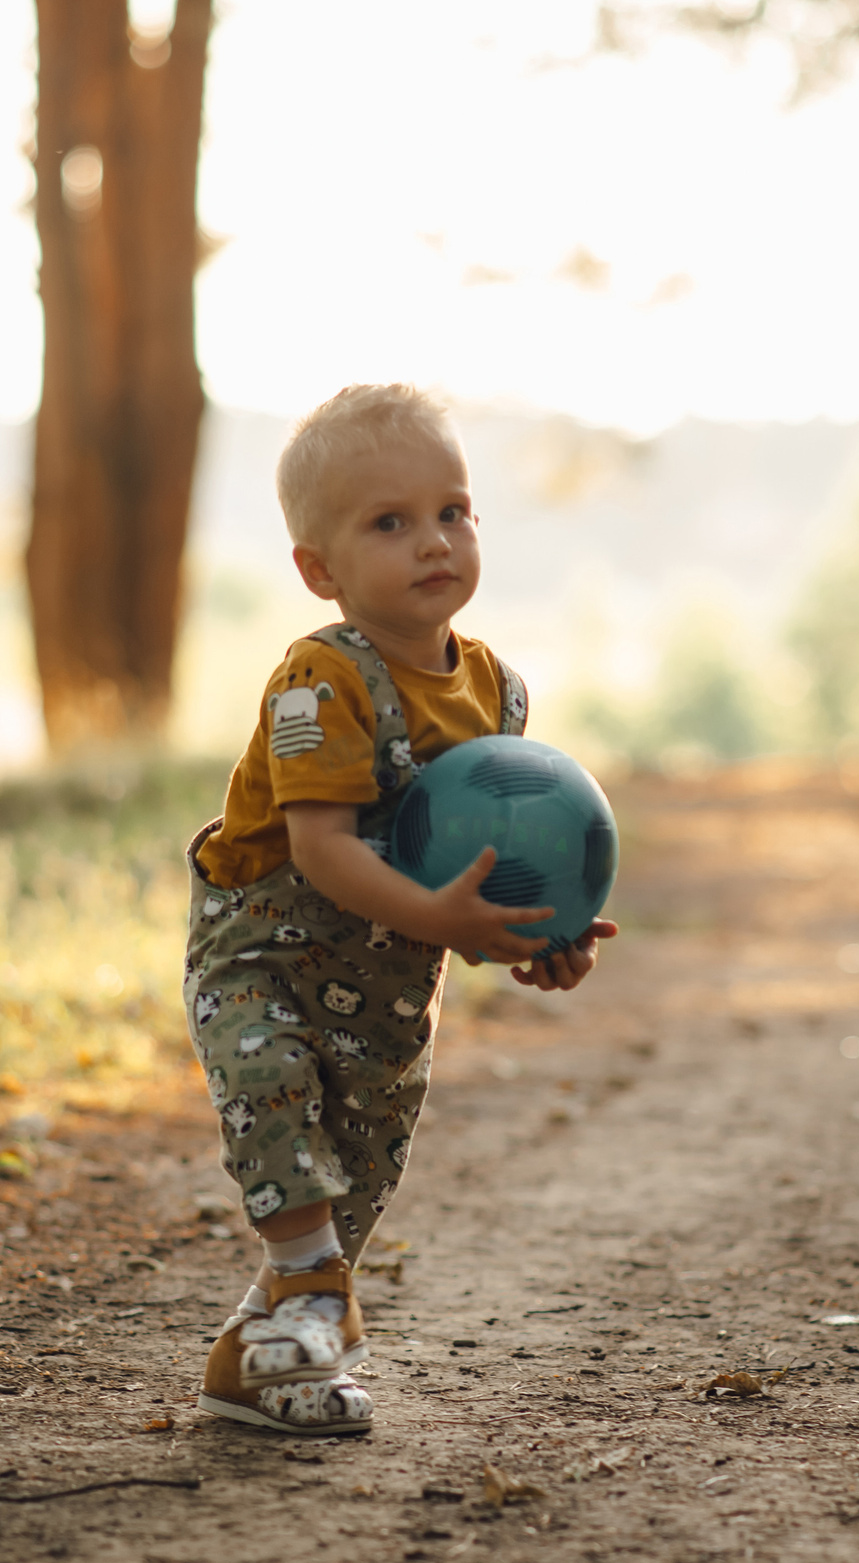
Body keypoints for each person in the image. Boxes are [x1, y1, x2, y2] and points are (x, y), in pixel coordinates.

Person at [181, 383, 615, 1435]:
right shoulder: (317, 679)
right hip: (268, 953)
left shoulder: (498, 696)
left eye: (453, 511)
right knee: (275, 1092)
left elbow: (480, 863)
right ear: (319, 569)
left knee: (361, 1168)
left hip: (389, 980)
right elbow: (322, 850)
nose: (434, 541)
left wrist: (525, 937)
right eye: (390, 522)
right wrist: (448, 920)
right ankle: (309, 1297)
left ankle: (259, 1366)